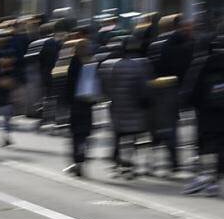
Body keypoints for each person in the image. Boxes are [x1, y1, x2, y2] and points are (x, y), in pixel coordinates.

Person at [100, 35, 152, 179]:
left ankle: (118, 163)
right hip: (134, 107)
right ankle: (128, 166)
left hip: (117, 107)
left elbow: (107, 87)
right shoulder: (139, 66)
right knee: (131, 138)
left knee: (118, 137)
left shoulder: (112, 65)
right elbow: (143, 88)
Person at [148, 16, 193, 175]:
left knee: (156, 125)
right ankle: (173, 161)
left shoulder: (154, 45)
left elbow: (150, 68)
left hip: (156, 90)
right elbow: (185, 66)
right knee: (171, 125)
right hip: (173, 89)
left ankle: (153, 161)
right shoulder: (181, 43)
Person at [180, 35, 224, 197]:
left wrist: (190, 105)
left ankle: (206, 176)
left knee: (206, 144)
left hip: (206, 112)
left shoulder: (202, 63)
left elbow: (191, 90)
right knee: (221, 145)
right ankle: (216, 180)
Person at [65, 38, 98, 178]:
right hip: (87, 104)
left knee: (76, 135)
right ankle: (82, 158)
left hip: (75, 104)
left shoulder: (73, 64)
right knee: (85, 134)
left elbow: (69, 85)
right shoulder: (91, 63)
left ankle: (78, 162)